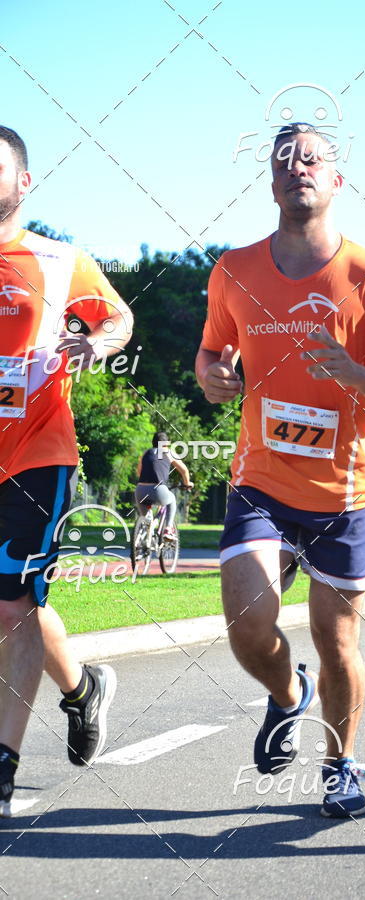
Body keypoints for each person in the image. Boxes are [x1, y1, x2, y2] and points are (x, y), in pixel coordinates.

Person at [196, 122, 365, 817]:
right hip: (261, 481)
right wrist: (212, 376)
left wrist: (356, 373)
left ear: (336, 180)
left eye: (312, 159)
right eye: (284, 162)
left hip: (347, 491)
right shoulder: (233, 270)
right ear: (272, 183)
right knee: (246, 623)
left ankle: (340, 764)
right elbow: (210, 353)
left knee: (337, 638)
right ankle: (287, 694)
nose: (298, 168)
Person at [0, 125, 134, 816]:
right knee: (15, 604)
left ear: (24, 182)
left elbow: (118, 320)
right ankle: (83, 690)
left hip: (35, 453)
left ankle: (3, 764)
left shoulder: (59, 260)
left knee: (12, 605)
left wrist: (97, 343)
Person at [135, 431, 193, 540]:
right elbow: (184, 470)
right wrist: (187, 483)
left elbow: (139, 472)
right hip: (158, 490)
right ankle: (168, 529)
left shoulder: (146, 453)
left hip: (140, 490)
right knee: (172, 499)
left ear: (153, 442)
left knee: (147, 520)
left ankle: (142, 540)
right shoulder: (168, 452)